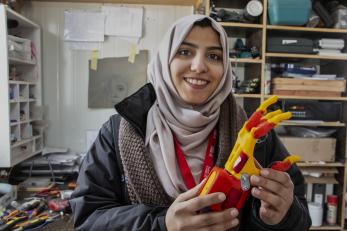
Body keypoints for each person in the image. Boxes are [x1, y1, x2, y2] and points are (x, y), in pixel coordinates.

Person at [70, 14, 311, 231]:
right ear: (165, 60)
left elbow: (300, 217)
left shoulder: (254, 135)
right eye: (185, 52)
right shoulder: (118, 132)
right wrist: (162, 224)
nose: (199, 66)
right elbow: (88, 219)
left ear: (225, 67)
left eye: (214, 56)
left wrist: (280, 217)